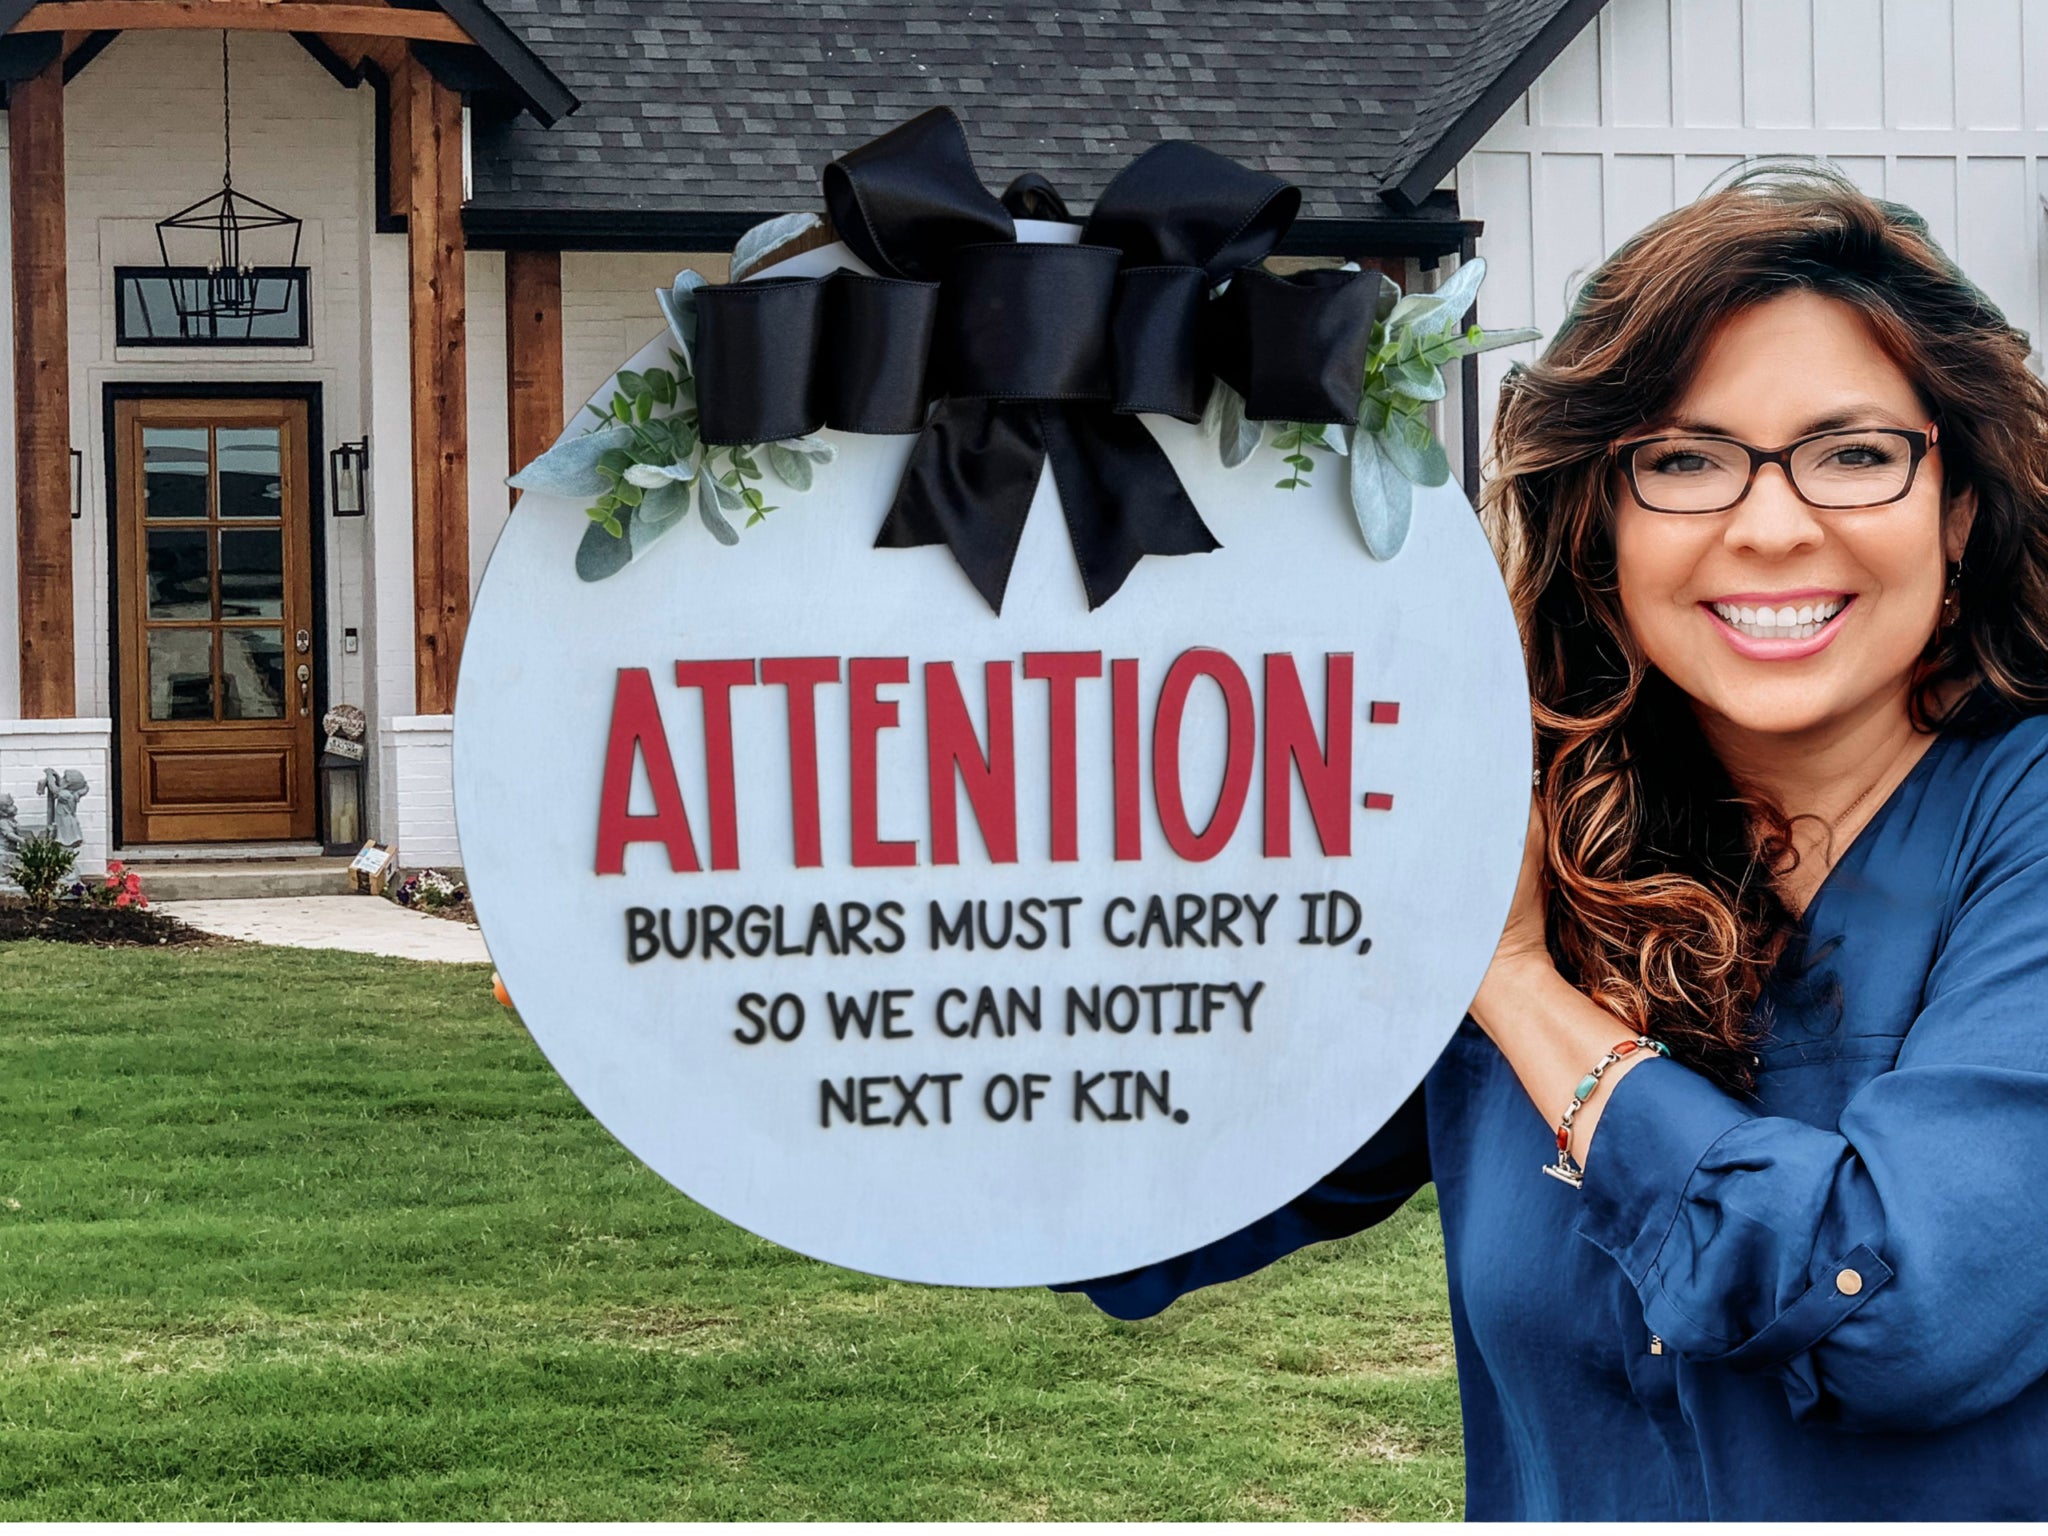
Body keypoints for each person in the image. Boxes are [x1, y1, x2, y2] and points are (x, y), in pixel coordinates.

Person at [1063, 166, 2048, 1519]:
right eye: (1684, 461)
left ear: (1960, 509)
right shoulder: (1539, 824)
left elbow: (1903, 1312)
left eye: (1856, 454)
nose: (1772, 526)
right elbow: (1144, 1206)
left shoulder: (2018, 828)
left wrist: (1519, 985)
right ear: (1601, 524)